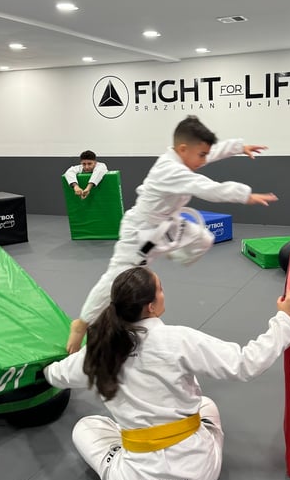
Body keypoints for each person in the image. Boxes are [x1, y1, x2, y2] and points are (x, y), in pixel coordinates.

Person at [45, 266, 290, 480]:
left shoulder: (98, 351)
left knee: (86, 426)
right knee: (206, 405)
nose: (163, 293)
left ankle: (130, 449)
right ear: (151, 306)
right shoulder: (179, 339)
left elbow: (56, 375)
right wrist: (285, 319)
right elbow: (245, 364)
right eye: (160, 289)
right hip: (199, 479)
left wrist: (42, 368)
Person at [66, 116, 277, 353]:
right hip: (141, 233)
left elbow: (210, 152)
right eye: (200, 155)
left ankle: (170, 251)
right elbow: (207, 187)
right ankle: (82, 323)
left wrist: (238, 147)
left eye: (204, 155)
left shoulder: (184, 156)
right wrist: (245, 195)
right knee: (117, 276)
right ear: (183, 149)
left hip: (168, 224)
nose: (203, 160)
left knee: (203, 239)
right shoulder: (171, 170)